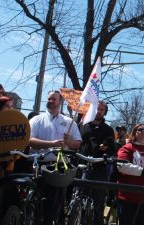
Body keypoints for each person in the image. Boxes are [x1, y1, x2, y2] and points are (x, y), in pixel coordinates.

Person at [29, 91, 82, 225]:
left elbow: (77, 143)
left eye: (54, 99)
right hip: (41, 166)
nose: (50, 101)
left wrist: (69, 142)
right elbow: (29, 140)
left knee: (56, 203)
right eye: (49, 98)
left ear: (60, 102)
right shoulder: (37, 120)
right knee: (38, 201)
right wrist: (51, 144)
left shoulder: (69, 122)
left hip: (60, 168)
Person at [116, 124, 144, 225]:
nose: (143, 131)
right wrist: (142, 171)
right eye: (140, 130)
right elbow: (121, 166)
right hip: (127, 197)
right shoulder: (127, 148)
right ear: (134, 133)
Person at [79, 101, 115, 225]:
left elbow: (111, 148)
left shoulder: (108, 129)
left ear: (104, 112)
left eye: (101, 109)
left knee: (98, 204)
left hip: (100, 169)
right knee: (79, 199)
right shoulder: (83, 125)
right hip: (82, 165)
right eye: (96, 108)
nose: (98, 111)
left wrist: (106, 149)